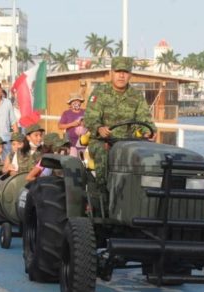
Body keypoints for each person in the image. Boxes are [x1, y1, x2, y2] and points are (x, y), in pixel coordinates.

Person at [84, 56, 156, 191]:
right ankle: (103, 195)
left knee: (150, 156)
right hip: (102, 140)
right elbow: (90, 117)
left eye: (125, 72)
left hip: (129, 142)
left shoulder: (137, 96)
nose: (121, 76)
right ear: (111, 73)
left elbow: (145, 118)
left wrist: (150, 130)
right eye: (118, 72)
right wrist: (99, 128)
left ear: (130, 75)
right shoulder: (100, 92)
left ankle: (142, 194)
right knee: (104, 154)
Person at [58, 93, 86, 157]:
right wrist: (72, 124)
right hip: (71, 143)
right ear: (70, 103)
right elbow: (60, 126)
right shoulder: (66, 113)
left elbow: (91, 123)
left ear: (80, 102)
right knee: (73, 159)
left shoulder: (85, 112)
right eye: (74, 101)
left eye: (78, 101)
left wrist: (84, 124)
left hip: (84, 142)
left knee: (83, 160)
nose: (76, 103)